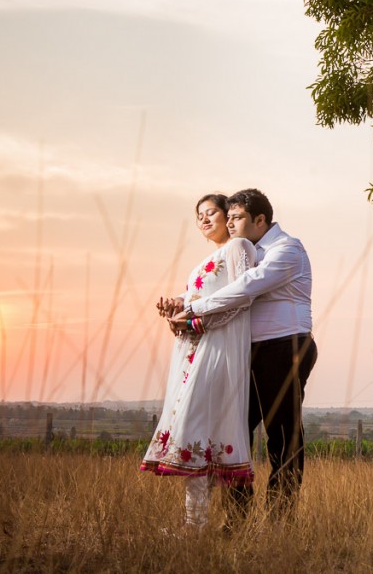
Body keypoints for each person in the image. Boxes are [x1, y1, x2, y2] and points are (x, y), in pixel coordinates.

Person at [169, 188, 317, 517]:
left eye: (237, 218)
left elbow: (246, 286)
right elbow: (225, 286)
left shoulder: (286, 249)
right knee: (232, 430)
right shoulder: (248, 250)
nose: (231, 224)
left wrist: (193, 309)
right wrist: (182, 300)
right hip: (249, 353)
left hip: (285, 347)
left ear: (260, 220)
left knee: (283, 436)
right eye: (230, 217)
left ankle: (281, 519)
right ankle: (236, 516)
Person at [141, 194, 256, 529]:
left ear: (228, 217)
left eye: (212, 212)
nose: (204, 219)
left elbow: (242, 299)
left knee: (196, 425)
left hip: (217, 350)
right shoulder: (207, 259)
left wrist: (198, 322)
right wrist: (174, 305)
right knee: (196, 431)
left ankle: (196, 525)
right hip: (194, 351)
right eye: (199, 215)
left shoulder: (238, 249)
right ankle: (196, 524)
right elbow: (199, 298)